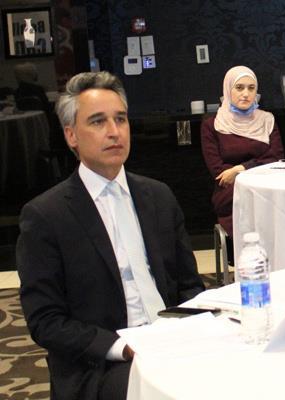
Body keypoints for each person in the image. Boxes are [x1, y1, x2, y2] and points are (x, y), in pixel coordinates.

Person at [16, 72, 205, 400]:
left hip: (171, 341)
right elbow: (46, 320)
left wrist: (190, 329)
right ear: (71, 135)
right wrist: (122, 347)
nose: (114, 131)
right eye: (98, 121)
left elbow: (189, 285)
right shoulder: (46, 216)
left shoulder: (158, 196)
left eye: (120, 119)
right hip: (102, 362)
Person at [201, 66, 283, 236]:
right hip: (232, 193)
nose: (246, 94)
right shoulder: (213, 125)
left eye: (251, 88)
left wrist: (240, 169)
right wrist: (256, 168)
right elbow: (219, 172)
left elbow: (276, 159)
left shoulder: (267, 120)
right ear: (228, 89)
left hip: (266, 186)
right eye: (239, 88)